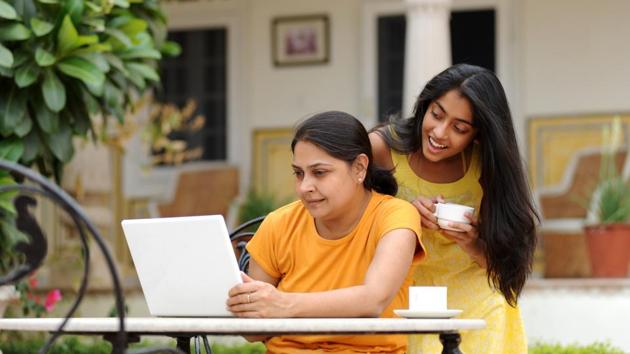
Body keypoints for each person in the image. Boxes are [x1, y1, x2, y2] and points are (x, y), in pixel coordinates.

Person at [369, 64, 538, 353]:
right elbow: (345, 217)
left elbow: (508, 267)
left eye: (459, 128)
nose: (439, 133)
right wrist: (402, 213)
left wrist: (472, 242)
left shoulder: (486, 166)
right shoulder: (382, 148)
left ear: (478, 135)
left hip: (474, 297)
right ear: (425, 105)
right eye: (436, 114)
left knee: (493, 307)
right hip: (399, 292)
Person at [227, 111, 425, 353]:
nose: (305, 187)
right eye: (298, 173)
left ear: (360, 168)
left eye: (319, 172)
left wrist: (284, 303)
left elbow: (374, 299)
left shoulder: (395, 216)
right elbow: (253, 333)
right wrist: (247, 306)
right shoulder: (278, 223)